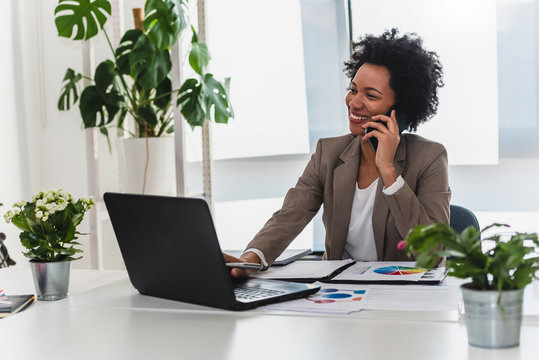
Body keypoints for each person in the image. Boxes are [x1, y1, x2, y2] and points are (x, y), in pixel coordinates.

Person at [225, 28, 450, 277]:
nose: (354, 102)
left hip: (400, 294)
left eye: (371, 95)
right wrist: (250, 259)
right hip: (339, 294)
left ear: (401, 110)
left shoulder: (429, 158)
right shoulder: (329, 152)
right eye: (353, 89)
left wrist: (388, 170)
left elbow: (434, 254)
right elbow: (290, 215)